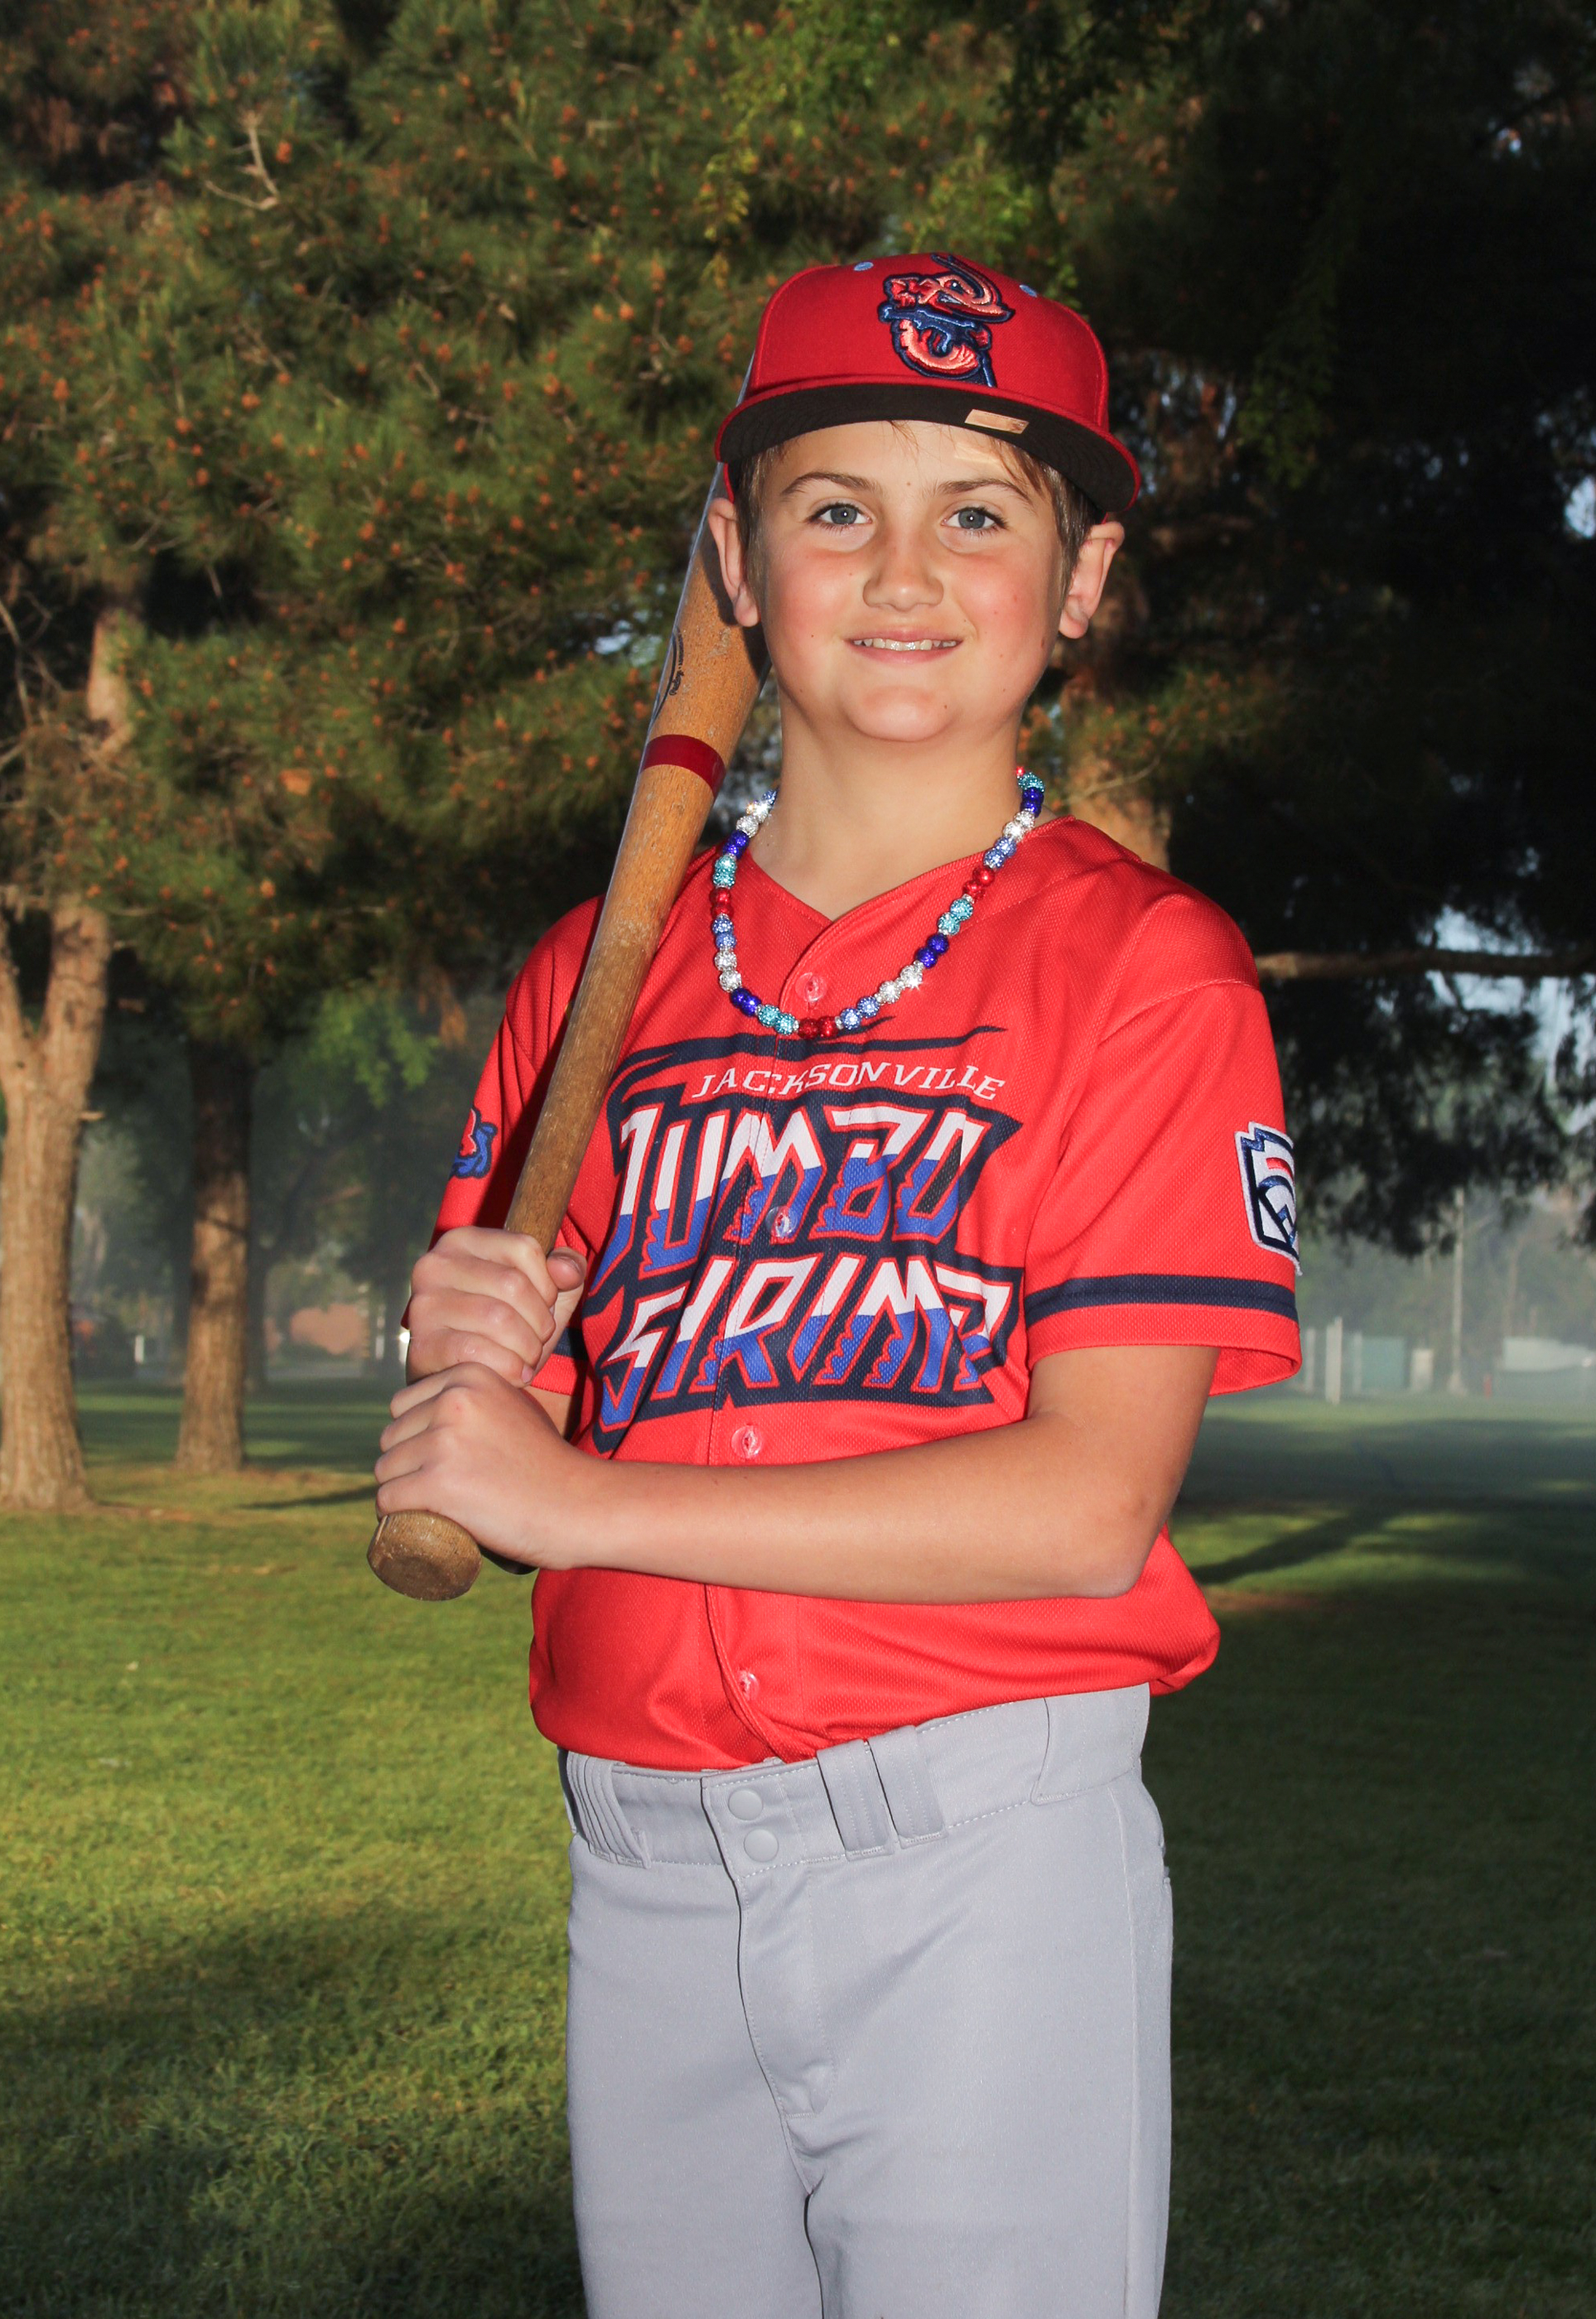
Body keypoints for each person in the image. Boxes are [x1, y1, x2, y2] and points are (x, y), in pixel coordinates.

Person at [374, 251, 1300, 2318]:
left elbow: (1086, 1504)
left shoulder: (1145, 967)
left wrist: (574, 1497)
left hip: (975, 1848)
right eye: (831, 506)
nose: (902, 571)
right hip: (642, 1853)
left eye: (977, 513)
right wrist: (475, 1368)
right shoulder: (595, 975)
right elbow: (501, 1431)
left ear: (1079, 581)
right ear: (735, 556)